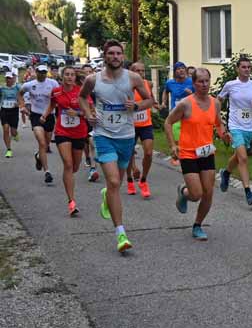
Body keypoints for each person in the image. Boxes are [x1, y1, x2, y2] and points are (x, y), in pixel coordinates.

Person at [79, 40, 153, 253]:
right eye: (110, 53)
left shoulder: (133, 78)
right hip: (103, 135)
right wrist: (88, 113)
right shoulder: (93, 80)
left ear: (123, 56)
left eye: (118, 53)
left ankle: (106, 195)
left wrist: (137, 105)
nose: (115, 57)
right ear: (105, 56)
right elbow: (82, 97)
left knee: (115, 185)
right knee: (112, 181)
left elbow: (150, 101)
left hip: (127, 136)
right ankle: (121, 233)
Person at [165, 68, 224, 240]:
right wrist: (172, 145)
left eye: (207, 81)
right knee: (196, 194)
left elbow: (218, 123)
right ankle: (184, 192)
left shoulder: (215, 103)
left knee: (208, 192)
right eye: (200, 81)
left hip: (206, 152)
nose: (204, 85)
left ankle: (197, 225)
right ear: (194, 83)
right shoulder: (185, 104)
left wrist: (223, 133)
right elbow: (168, 122)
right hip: (188, 153)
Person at [217, 56, 252, 205]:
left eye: (249, 67)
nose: (247, 70)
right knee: (243, 158)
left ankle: (226, 173)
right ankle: (248, 192)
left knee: (238, 156)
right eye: (244, 67)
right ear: (237, 69)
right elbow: (218, 100)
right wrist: (219, 120)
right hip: (235, 126)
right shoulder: (231, 85)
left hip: (249, 127)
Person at [45, 66, 89, 216]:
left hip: (79, 132)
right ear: (62, 77)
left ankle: (69, 176)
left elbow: (90, 112)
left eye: (72, 75)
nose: (69, 77)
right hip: (62, 131)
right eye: (67, 75)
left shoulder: (82, 91)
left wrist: (77, 113)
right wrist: (45, 115)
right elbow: (52, 104)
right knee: (68, 164)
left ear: (74, 77)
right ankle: (71, 202)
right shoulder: (56, 91)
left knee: (74, 167)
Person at [18, 64, 59, 184]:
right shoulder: (29, 85)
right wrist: (22, 106)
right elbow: (20, 94)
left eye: (44, 72)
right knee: (41, 142)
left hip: (49, 116)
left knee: (45, 145)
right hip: (35, 116)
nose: (42, 74)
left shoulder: (53, 84)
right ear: (36, 72)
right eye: (40, 72)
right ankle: (47, 172)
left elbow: (57, 98)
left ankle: (38, 156)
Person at [126, 61, 157, 198]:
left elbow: (151, 99)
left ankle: (143, 180)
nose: (140, 73)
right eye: (137, 71)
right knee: (128, 153)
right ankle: (129, 179)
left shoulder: (148, 84)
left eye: (142, 71)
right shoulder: (125, 86)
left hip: (145, 124)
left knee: (149, 153)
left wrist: (155, 104)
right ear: (131, 72)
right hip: (129, 125)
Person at [161, 61, 194, 165]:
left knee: (188, 136)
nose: (181, 70)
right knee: (175, 136)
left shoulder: (191, 81)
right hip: (175, 113)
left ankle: (186, 155)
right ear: (175, 72)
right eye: (178, 69)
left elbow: (199, 95)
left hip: (189, 113)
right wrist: (163, 102)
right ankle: (176, 155)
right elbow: (165, 91)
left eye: (183, 68)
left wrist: (191, 93)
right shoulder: (170, 83)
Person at [80, 64, 99, 182]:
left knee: (92, 141)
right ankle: (88, 157)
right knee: (86, 141)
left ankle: (93, 168)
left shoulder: (98, 86)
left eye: (90, 72)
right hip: (82, 118)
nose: (88, 74)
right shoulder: (79, 88)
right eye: (85, 72)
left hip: (96, 117)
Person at [1, 71, 21, 158]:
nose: (8, 80)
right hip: (4, 110)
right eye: (7, 78)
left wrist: (19, 104)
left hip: (14, 111)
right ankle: (9, 150)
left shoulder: (17, 87)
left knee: (13, 132)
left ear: (13, 78)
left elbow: (23, 97)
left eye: (10, 78)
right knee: (5, 129)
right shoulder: (2, 88)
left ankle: (15, 134)